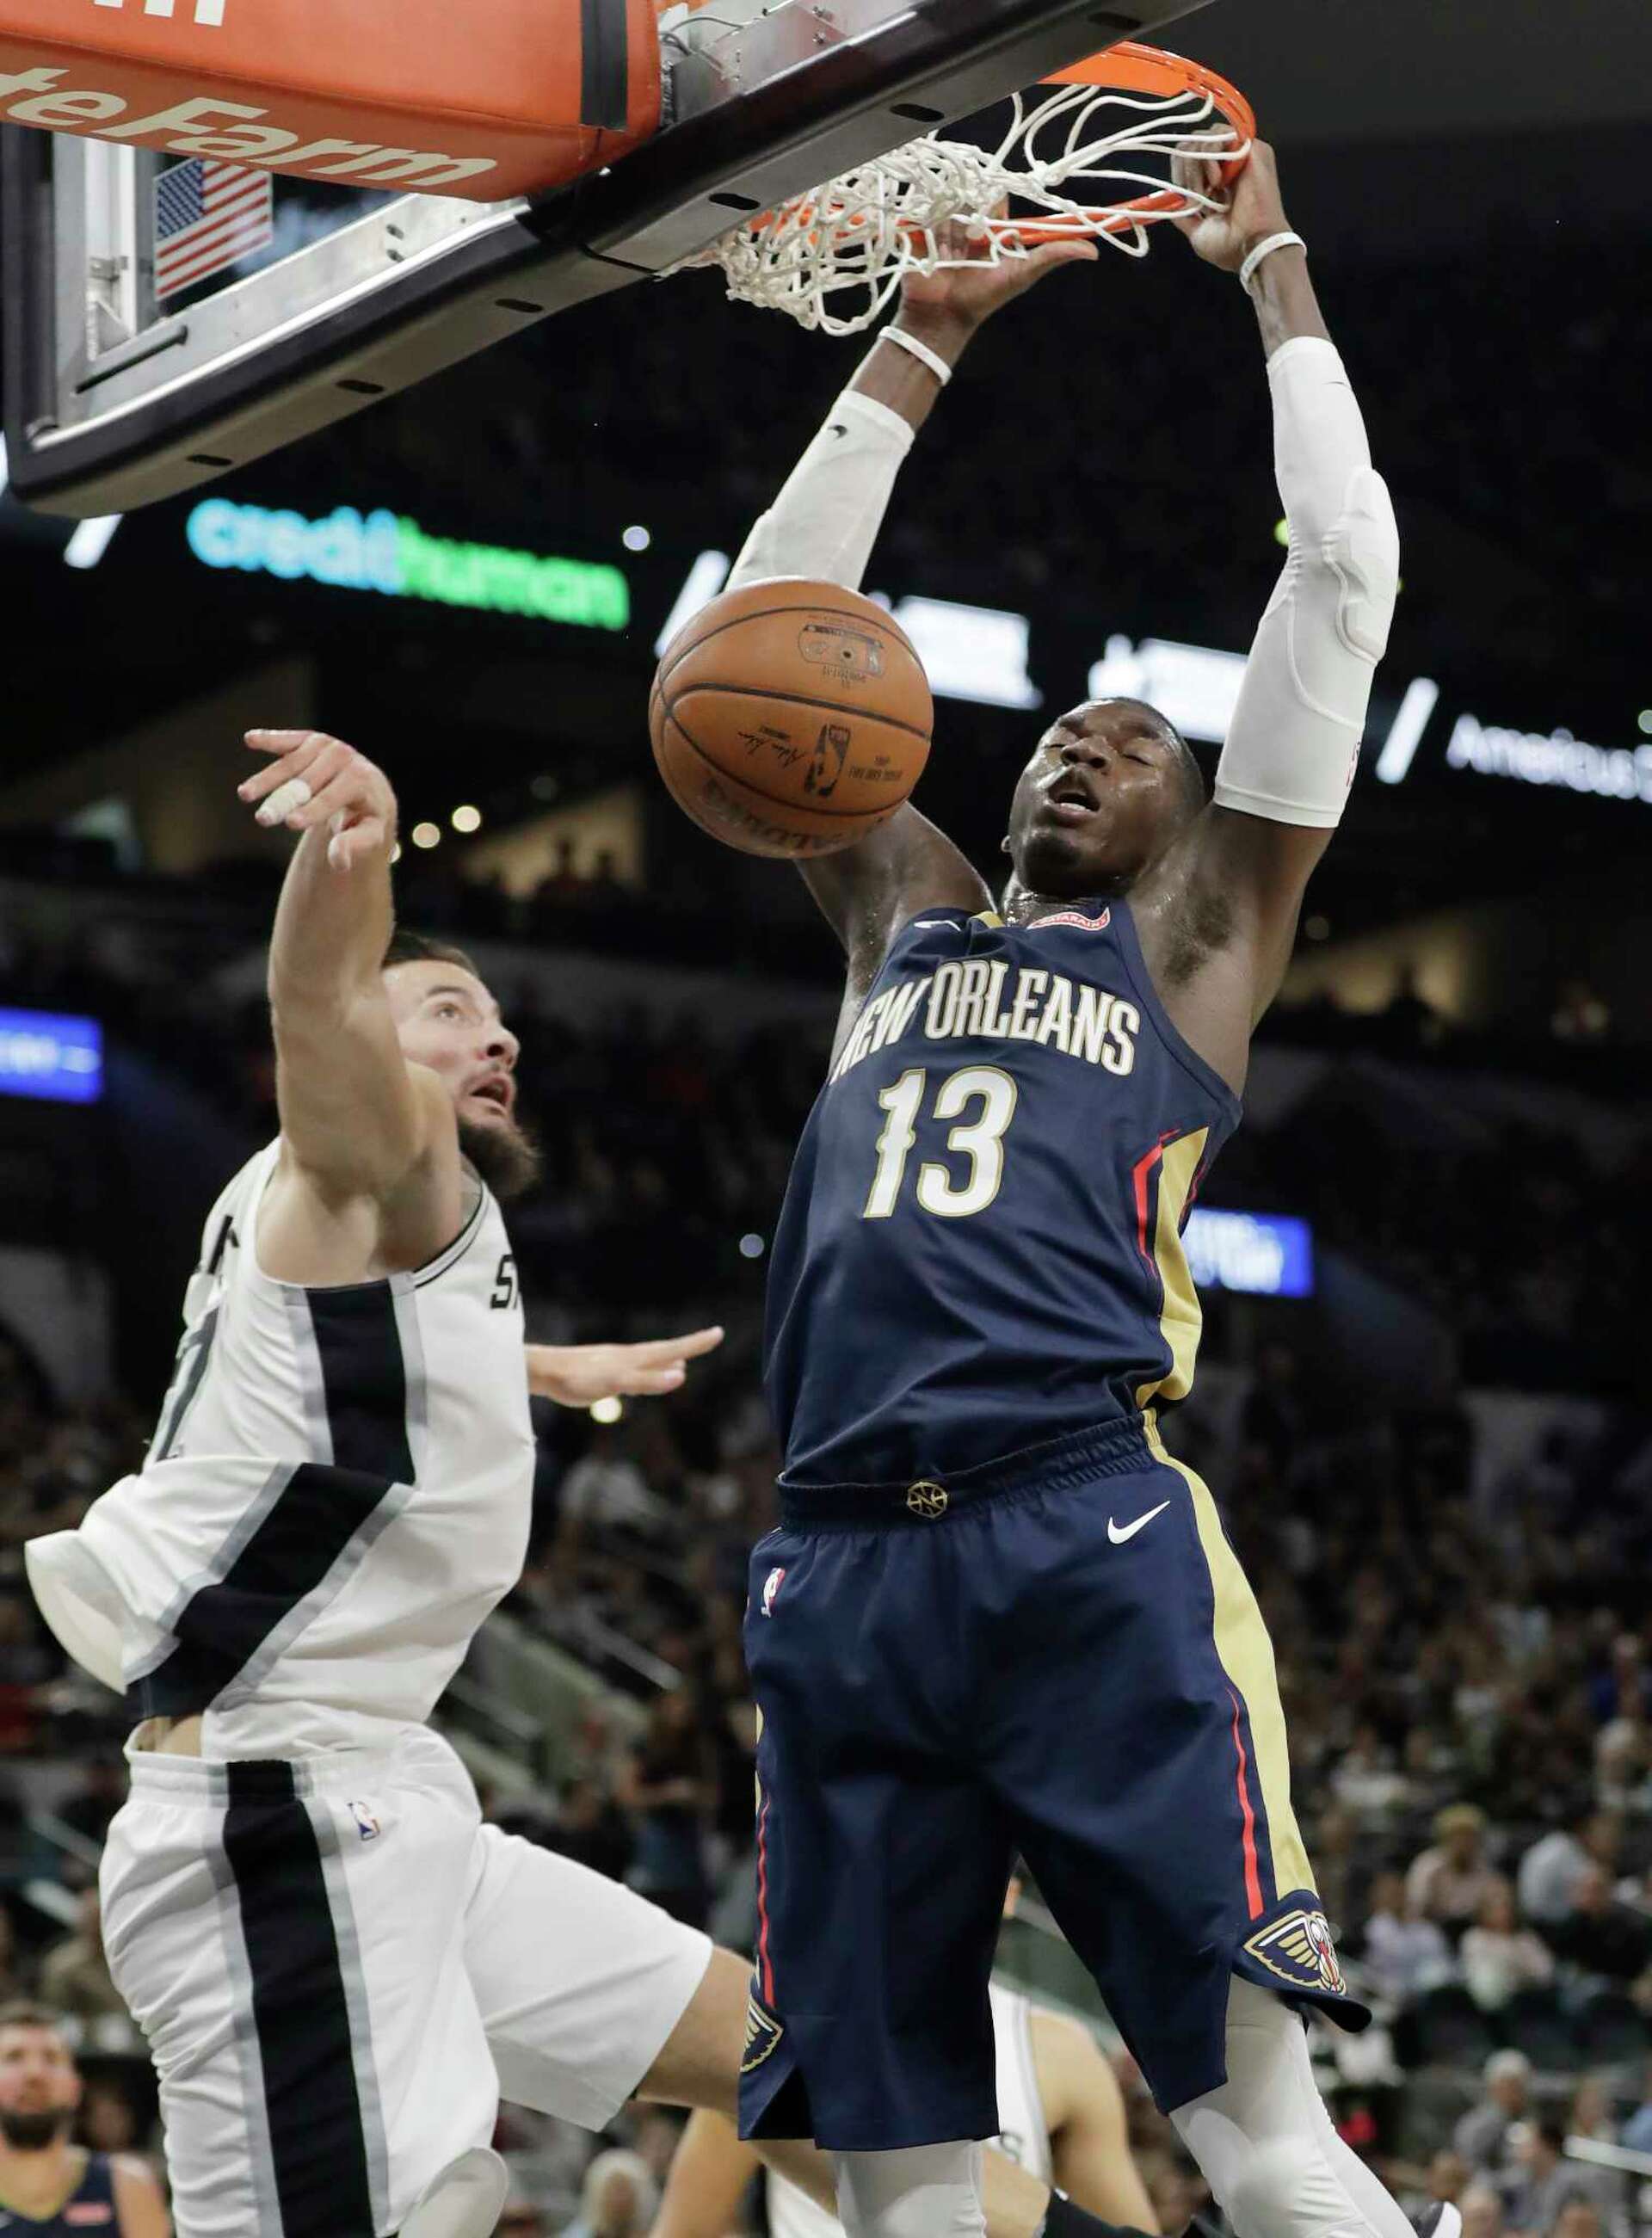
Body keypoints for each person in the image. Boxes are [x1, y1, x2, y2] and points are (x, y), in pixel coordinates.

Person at [714, 133, 1415, 2238]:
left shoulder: (1194, 948)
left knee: (1251, 2126)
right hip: (834, 1556)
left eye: (1133, 740)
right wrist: (909, 352)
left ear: (1196, 819)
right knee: (905, 2158)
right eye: (1059, 731)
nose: (1078, 746)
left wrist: (1272, 265)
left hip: (1071, 1522)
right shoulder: (896, 919)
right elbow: (744, 646)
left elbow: (1345, 572)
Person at [16, 735, 819, 2238]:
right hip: (277, 1820)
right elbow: (316, 1007)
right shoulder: (375, 1158)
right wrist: (353, 862)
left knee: (800, 2072)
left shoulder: (359, 1241)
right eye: (450, 1008)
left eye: (501, 1016)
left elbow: (316, 1391)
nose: (496, 1039)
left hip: (390, 1792)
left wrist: (530, 1364)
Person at [651, 1880, 1159, 2238]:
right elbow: (684, 2228)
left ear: (1008, 1894)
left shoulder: (1060, 2053)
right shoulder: (785, 2029)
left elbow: (1129, 2231)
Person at [0, 2001, 169, 2236]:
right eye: (14, 2057)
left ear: (75, 2087)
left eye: (51, 2058)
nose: (34, 2073)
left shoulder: (127, 2185)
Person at [1405, 1808, 1501, 1939]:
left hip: (1473, 1932)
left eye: (1470, 1837)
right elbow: (1415, 1908)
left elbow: (1494, 1909)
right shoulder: (1427, 1865)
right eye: (1459, 1837)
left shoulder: (1485, 1869)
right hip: (1432, 1929)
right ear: (1445, 1839)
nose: (1464, 1844)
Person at [1361, 1872, 1453, 2004]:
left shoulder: (1424, 1927)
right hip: (1385, 1990)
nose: (1396, 1899)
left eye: (1399, 1893)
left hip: (1423, 1990)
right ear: (1377, 1898)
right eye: (1391, 1894)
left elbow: (1440, 1958)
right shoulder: (1375, 1928)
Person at [1458, 1883, 1553, 2012]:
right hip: (1495, 2005)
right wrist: (1522, 1970)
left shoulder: (1526, 1938)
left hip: (1529, 2001)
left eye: (1507, 1906)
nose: (1504, 1912)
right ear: (1483, 1911)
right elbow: (1485, 1975)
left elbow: (1545, 1972)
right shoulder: (1475, 1938)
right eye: (1496, 1907)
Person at [1454, 2054, 1532, 2179]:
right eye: (1511, 2085)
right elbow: (1469, 2166)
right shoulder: (1475, 2125)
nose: (1517, 2092)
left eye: (1521, 2085)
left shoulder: (1528, 2120)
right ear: (1493, 2086)